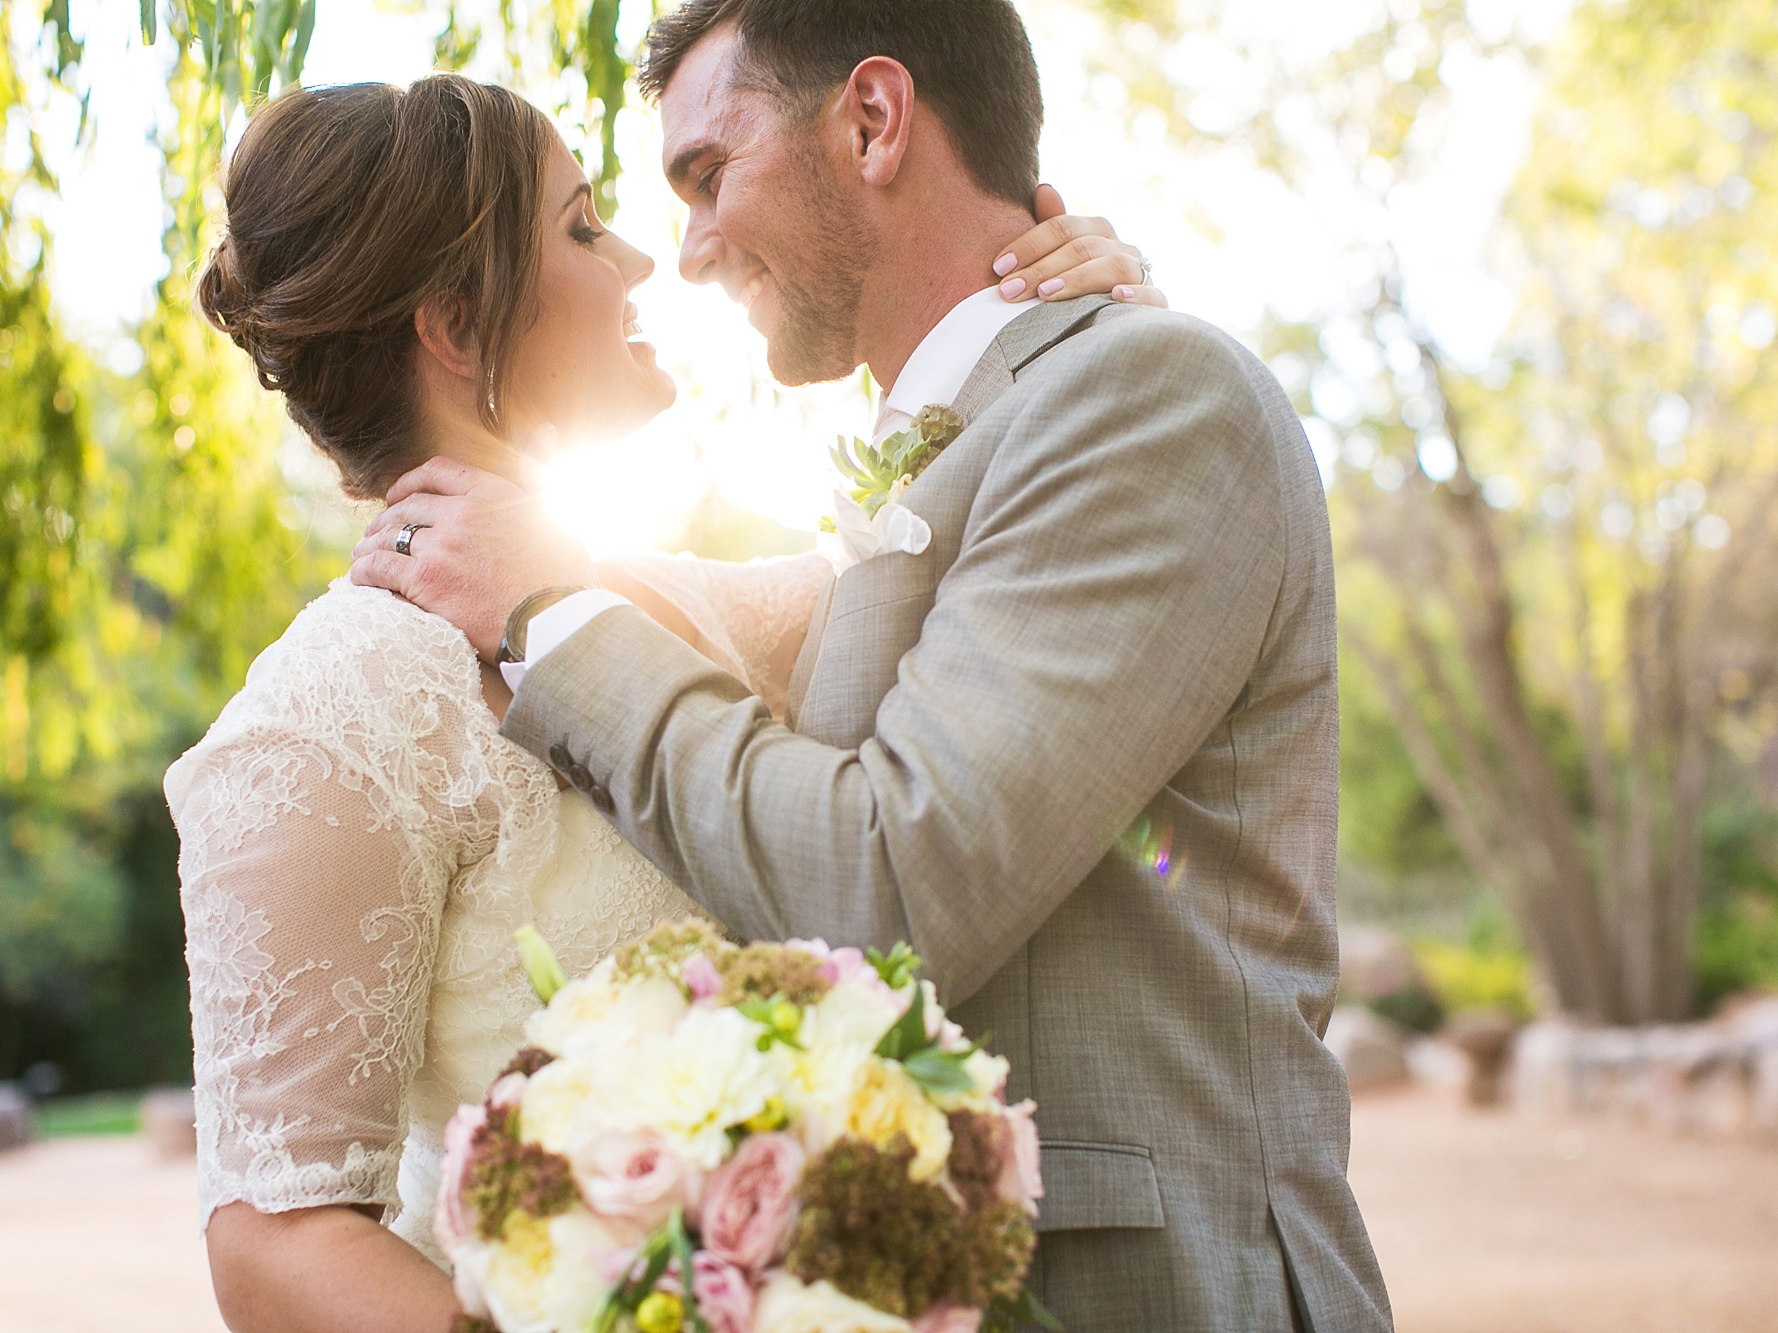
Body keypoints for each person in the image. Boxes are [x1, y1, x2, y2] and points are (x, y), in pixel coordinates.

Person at [351, 1, 1397, 1329]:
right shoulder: (975, 444)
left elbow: (890, 879)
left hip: (1156, 1289)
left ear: (872, 119)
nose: (687, 248)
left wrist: (548, 612)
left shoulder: (1145, 397)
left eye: (707, 174)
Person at [167, 72, 1161, 1333]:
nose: (640, 259)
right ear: (459, 324)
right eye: (582, 227)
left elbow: (986, 552)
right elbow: (276, 1241)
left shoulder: (707, 613)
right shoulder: (330, 712)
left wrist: (1075, 313)